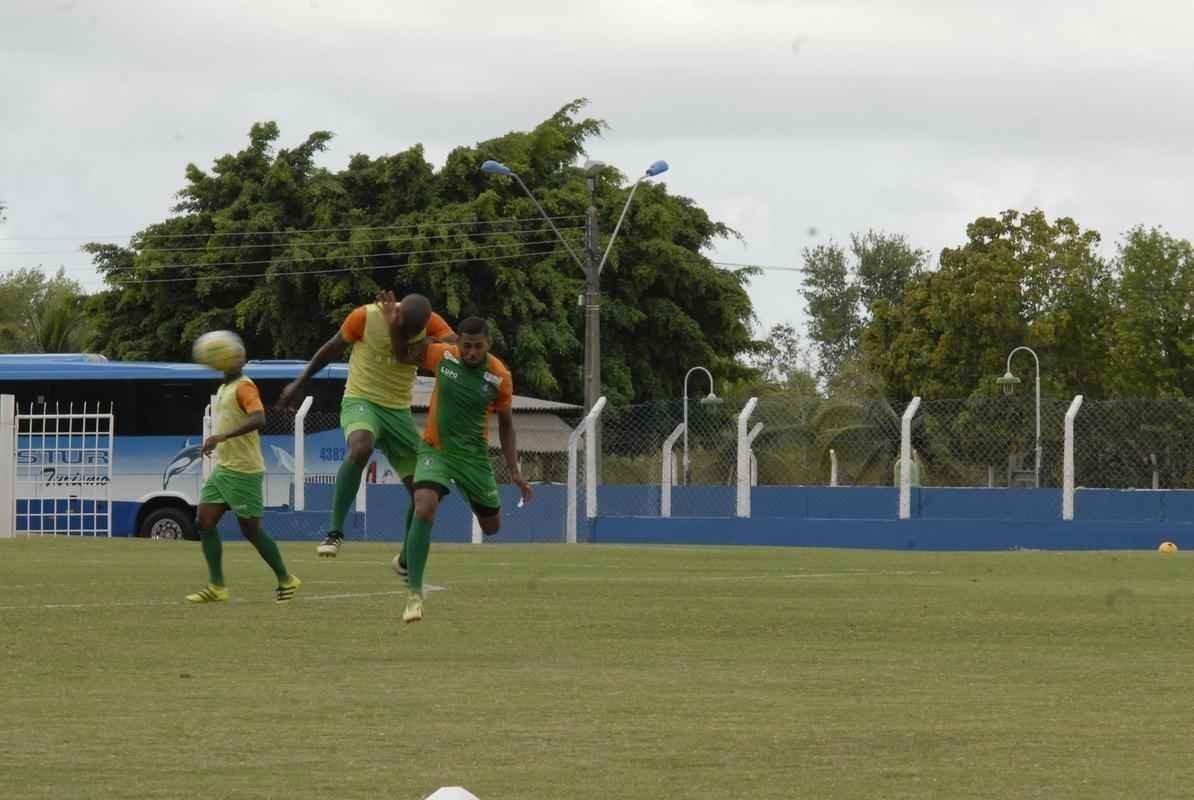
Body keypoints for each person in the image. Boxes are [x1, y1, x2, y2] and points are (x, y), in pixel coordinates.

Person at [376, 292, 532, 623]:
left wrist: (514, 471)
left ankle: (404, 558)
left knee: (492, 527)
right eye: (466, 345)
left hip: (474, 459)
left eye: (478, 346)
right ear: (458, 342)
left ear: (488, 343)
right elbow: (402, 354)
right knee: (424, 504)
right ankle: (414, 595)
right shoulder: (442, 356)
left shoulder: (499, 376)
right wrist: (393, 324)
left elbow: (506, 426)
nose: (472, 352)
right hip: (436, 450)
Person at [278, 293, 455, 558]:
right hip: (362, 399)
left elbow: (458, 348)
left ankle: (407, 557)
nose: (409, 336)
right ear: (398, 315)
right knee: (361, 446)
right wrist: (300, 381)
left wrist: (439, 343)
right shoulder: (365, 316)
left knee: (426, 489)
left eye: (415, 333)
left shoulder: (432, 322)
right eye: (404, 329)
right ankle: (334, 533)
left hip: (398, 410)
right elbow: (330, 349)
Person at [187, 339, 301, 604]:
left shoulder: (244, 386)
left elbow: (259, 418)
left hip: (245, 471)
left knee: (251, 530)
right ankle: (217, 586)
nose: (236, 358)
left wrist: (221, 436)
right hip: (225, 469)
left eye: (239, 355)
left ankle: (286, 579)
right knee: (203, 521)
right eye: (232, 354)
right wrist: (216, 439)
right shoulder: (225, 387)